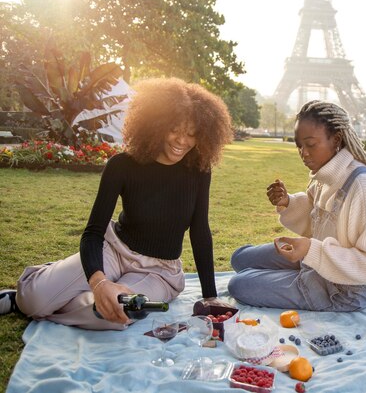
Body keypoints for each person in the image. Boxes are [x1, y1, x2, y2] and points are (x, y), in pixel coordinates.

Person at [0, 78, 232, 330]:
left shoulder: (198, 170)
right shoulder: (121, 165)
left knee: (113, 313)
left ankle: (63, 302)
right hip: (113, 251)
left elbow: (200, 232)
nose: (182, 141)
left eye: (191, 133)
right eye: (174, 129)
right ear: (157, 124)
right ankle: (31, 291)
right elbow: (93, 232)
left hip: (159, 272)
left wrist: (209, 295)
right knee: (33, 300)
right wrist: (99, 282)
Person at [227, 101, 366, 312]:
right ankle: (292, 274)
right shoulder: (325, 174)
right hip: (315, 260)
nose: (303, 153)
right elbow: (316, 215)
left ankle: (292, 277)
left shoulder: (365, 188)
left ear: (336, 139)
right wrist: (287, 202)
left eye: (311, 144)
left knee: (239, 284)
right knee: (240, 258)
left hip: (343, 289)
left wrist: (310, 250)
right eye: (299, 145)